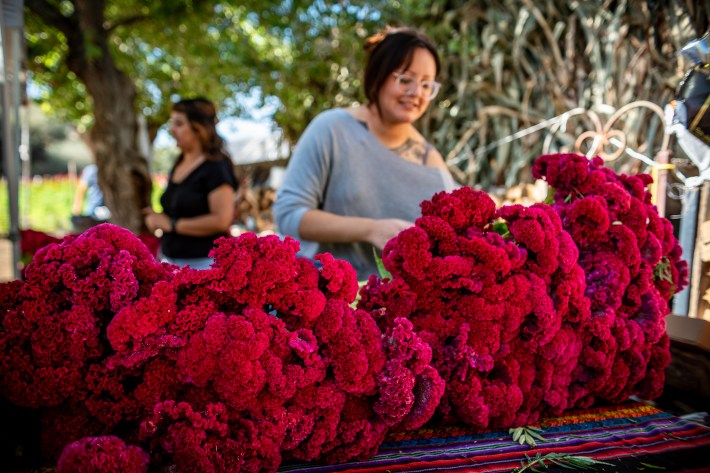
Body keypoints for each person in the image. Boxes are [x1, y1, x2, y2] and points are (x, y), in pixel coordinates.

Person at [273, 26, 457, 280]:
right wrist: (370, 230)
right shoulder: (334, 129)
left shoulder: (431, 161)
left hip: (400, 312)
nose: (416, 93)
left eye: (427, 85)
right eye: (405, 79)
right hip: (329, 301)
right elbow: (288, 214)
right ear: (377, 76)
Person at [143, 98, 237, 269]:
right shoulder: (179, 162)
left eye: (179, 124)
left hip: (203, 265)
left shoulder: (215, 167)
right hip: (169, 259)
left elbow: (221, 220)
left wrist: (171, 225)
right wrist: (158, 218)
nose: (171, 130)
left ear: (199, 129)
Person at [71, 163, 110, 232]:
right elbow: (80, 190)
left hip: (108, 211)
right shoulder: (92, 170)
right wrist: (76, 211)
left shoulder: (111, 169)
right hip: (93, 211)